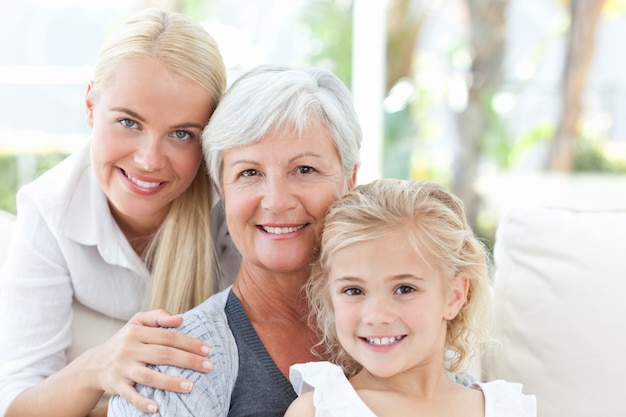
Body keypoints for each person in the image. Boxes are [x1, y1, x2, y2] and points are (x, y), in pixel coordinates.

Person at [0, 8, 240, 417]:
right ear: (91, 106)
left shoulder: (232, 210)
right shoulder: (50, 210)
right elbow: (17, 404)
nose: (149, 160)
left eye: (182, 134)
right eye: (129, 122)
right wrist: (99, 364)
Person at [107, 64, 363, 416]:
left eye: (304, 170)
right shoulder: (179, 364)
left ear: (350, 180)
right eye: (250, 173)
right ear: (222, 190)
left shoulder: (399, 324)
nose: (276, 200)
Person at [285, 178, 537, 416]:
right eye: (354, 291)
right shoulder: (319, 409)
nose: (376, 316)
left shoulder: (506, 409)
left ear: (454, 296)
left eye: (404, 289)